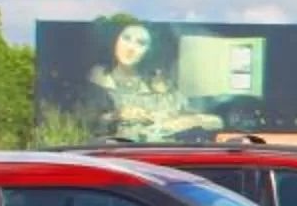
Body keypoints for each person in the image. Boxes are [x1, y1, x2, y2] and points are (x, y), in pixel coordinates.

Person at [86, 20, 221, 140]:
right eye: (126, 38)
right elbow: (85, 126)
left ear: (150, 50)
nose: (131, 48)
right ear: (114, 40)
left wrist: (185, 122)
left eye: (141, 43)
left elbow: (213, 121)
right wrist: (117, 115)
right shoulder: (97, 83)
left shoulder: (162, 86)